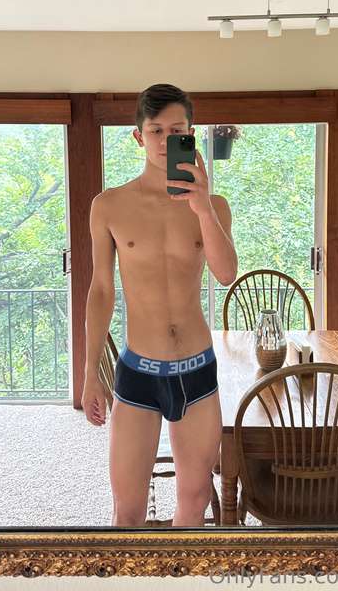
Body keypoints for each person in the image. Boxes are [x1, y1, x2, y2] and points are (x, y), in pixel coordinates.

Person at [81, 83, 238, 527]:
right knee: (127, 510)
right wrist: (90, 372)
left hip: (196, 369)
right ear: (139, 136)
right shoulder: (109, 206)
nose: (167, 140)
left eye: (177, 130)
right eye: (156, 131)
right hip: (138, 372)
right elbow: (101, 290)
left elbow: (226, 274)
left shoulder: (214, 205)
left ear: (190, 134)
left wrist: (202, 208)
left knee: (195, 500)